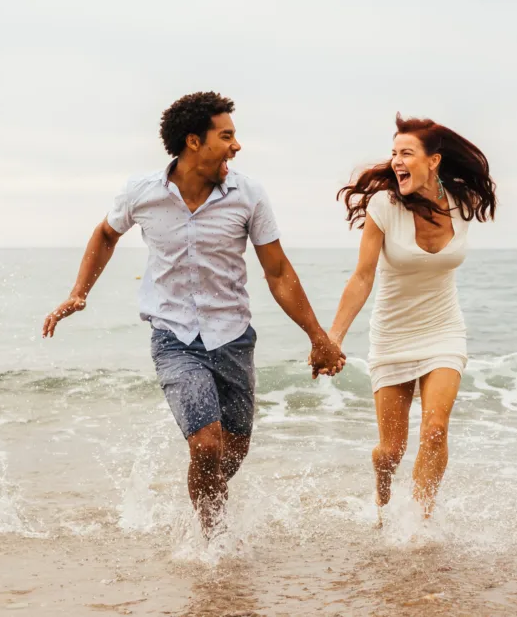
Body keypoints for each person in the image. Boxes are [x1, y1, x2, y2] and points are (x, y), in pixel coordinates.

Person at [42, 92, 345, 532]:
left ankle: (205, 512)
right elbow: (106, 235)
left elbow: (277, 271)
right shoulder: (142, 192)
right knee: (206, 446)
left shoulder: (248, 195)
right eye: (226, 136)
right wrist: (78, 292)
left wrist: (318, 336)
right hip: (173, 336)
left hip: (233, 336)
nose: (236, 145)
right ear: (193, 142)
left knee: (232, 450)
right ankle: (211, 542)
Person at [327, 114, 496, 520]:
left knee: (436, 430)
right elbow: (362, 277)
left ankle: (420, 523)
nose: (396, 160)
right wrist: (332, 338)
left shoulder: (462, 203)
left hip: (444, 330)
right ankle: (383, 500)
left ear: (433, 161)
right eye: (394, 153)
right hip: (392, 334)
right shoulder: (384, 206)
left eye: (406, 153)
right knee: (392, 450)